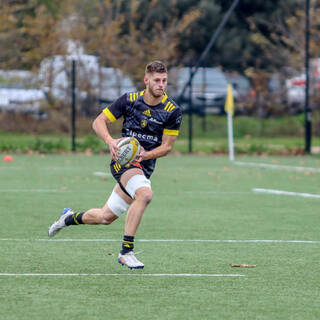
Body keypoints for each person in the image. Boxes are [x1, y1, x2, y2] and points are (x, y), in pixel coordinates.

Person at [48, 61, 182, 269]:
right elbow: (98, 121)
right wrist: (110, 141)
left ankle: (67, 218)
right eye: (157, 80)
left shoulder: (172, 110)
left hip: (143, 165)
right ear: (146, 80)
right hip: (123, 162)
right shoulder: (129, 100)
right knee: (145, 195)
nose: (161, 85)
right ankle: (126, 251)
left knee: (105, 217)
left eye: (164, 81)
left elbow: (166, 147)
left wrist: (144, 155)